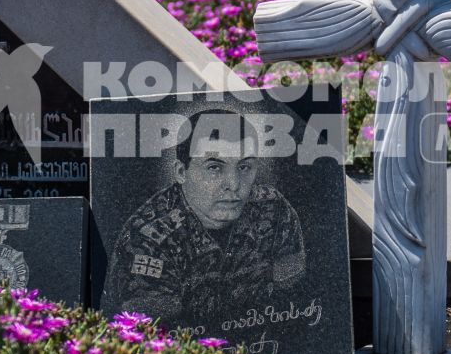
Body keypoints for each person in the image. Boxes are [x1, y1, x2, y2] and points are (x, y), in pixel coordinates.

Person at [100, 107, 306, 325]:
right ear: (181, 172)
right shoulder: (149, 239)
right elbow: (152, 336)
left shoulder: (272, 210)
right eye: (214, 168)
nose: (234, 185)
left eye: (244, 167)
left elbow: (295, 292)